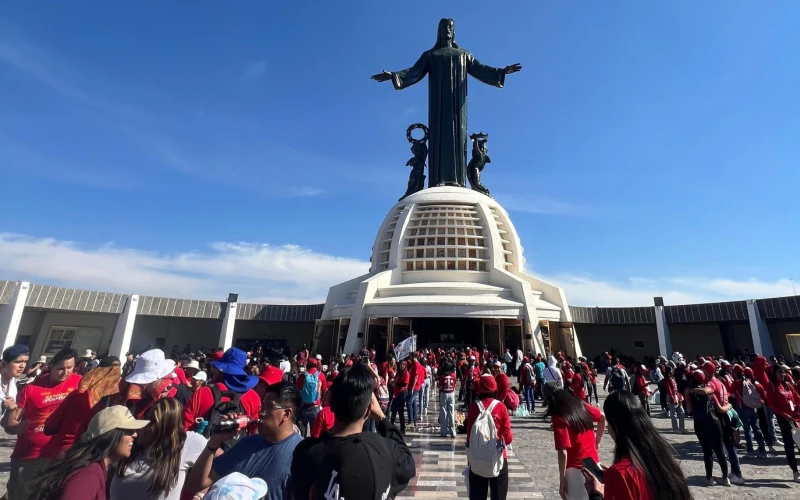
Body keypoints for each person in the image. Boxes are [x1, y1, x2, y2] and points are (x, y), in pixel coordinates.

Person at [291, 363, 415, 500]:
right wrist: (382, 418)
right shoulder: (384, 449)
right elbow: (407, 462)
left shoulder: (307, 452)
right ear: (369, 409)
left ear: (329, 401)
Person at [187, 381, 303, 500]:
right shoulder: (247, 443)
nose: (261, 412)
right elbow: (196, 484)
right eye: (262, 406)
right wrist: (214, 442)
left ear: (286, 414)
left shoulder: (301, 453)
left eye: (269, 407)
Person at [582, 391, 692, 500]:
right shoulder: (662, 456)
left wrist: (595, 493)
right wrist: (612, 480)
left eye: (608, 424)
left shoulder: (620, 472)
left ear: (615, 426)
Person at [4, 348, 81, 500]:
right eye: (60, 368)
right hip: (30, 455)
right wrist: (17, 425)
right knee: (21, 495)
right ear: (51, 366)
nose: (65, 372)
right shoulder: (31, 388)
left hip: (62, 454)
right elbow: (11, 424)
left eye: (70, 368)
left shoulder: (79, 382)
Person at [25, 405, 149, 500]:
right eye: (129, 431)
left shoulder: (92, 466)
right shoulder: (88, 474)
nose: (135, 434)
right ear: (111, 436)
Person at [111, 398, 208, 500]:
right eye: (145, 417)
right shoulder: (130, 444)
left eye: (152, 421)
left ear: (167, 429)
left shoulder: (186, 444)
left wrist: (200, 495)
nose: (144, 426)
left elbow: (216, 457)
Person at [42, 360, 122, 459]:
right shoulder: (116, 401)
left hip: (68, 449)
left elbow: (51, 425)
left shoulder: (78, 394)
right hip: (80, 453)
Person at [183, 347, 261, 433]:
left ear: (220, 369)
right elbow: (254, 432)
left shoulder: (204, 392)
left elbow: (184, 426)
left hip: (204, 445)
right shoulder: (254, 397)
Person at [546, 388, 605, 500]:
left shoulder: (559, 416)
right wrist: (597, 441)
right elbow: (602, 417)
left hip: (575, 472)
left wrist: (562, 479)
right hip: (595, 466)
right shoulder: (581, 405)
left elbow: (563, 451)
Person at [465, 374, 513, 500]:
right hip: (498, 458)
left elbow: (469, 435)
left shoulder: (474, 407)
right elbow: (508, 438)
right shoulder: (501, 407)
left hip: (477, 458)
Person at [686, 369, 731, 486]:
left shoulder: (690, 393)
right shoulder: (709, 392)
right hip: (714, 422)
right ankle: (725, 478)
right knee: (719, 450)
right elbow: (719, 408)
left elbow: (689, 410)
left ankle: (709, 478)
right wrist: (729, 406)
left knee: (707, 451)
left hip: (700, 423)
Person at [765, 363, 800, 482]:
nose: (783, 374)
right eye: (780, 372)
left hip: (796, 417)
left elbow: (797, 398)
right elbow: (771, 404)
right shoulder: (772, 386)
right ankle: (795, 471)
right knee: (790, 444)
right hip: (784, 419)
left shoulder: (788, 385)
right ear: (774, 374)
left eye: (784, 372)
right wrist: (784, 415)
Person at [295, 357, 328, 437]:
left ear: (307, 365)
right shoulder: (321, 376)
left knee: (302, 431)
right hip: (315, 406)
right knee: (315, 431)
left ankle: (302, 445)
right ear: (317, 365)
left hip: (303, 406)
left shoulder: (302, 376)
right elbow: (324, 390)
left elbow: (297, 389)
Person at [0, 345, 29, 421]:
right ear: (3, 364)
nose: (22, 366)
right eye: (18, 362)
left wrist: (12, 409)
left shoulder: (12, 382)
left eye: (25, 362)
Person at [438, 357, 457, 438]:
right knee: (451, 413)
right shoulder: (453, 375)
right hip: (451, 393)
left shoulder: (442, 377)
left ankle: (444, 432)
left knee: (444, 413)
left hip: (444, 393)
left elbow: (440, 386)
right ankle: (453, 432)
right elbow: (455, 384)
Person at [390, 359, 410, 434]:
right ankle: (391, 424)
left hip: (402, 393)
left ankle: (402, 427)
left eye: (403, 365)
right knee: (393, 409)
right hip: (396, 393)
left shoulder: (406, 373)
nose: (401, 366)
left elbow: (405, 384)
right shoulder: (399, 373)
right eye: (401, 364)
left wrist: (396, 384)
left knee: (400, 410)